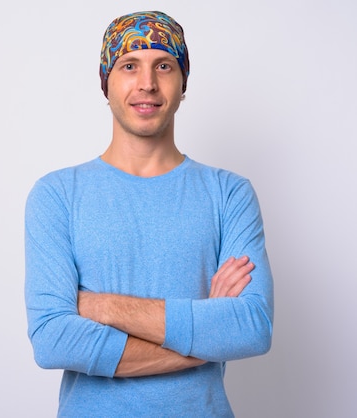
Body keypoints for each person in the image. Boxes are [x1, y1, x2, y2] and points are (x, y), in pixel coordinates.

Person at [24, 10, 274, 417]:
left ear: (182, 83)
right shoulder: (57, 195)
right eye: (129, 65)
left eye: (164, 65)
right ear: (106, 82)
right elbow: (53, 339)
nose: (147, 83)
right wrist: (204, 336)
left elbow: (250, 328)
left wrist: (101, 306)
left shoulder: (229, 194)